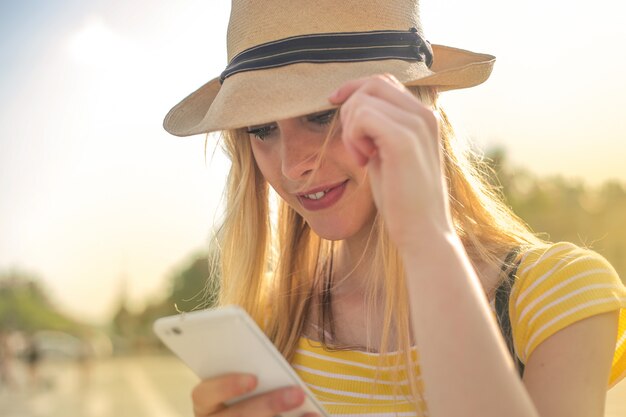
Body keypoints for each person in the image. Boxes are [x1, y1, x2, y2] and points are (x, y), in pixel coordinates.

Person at [163, 1, 626, 416]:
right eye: (262, 129)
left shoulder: (554, 297)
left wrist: (427, 239)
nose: (293, 164)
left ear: (412, 104)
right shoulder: (266, 323)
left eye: (321, 114)